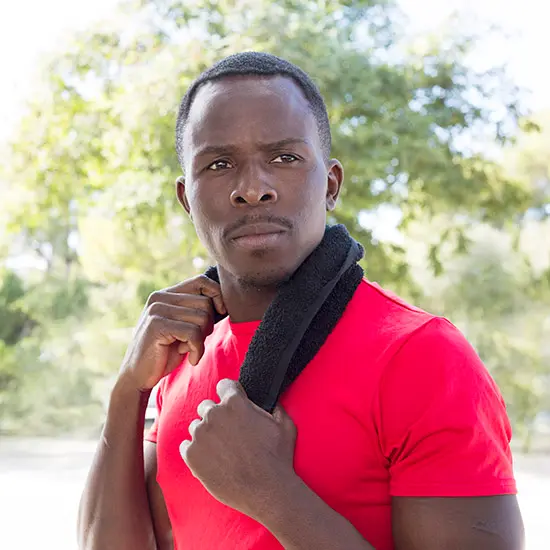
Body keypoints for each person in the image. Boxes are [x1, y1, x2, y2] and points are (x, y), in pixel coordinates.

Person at [77, 51, 524, 550]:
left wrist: (272, 494)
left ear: (331, 185)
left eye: (284, 158)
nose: (252, 189)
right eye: (219, 164)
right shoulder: (182, 358)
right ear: (187, 199)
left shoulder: (422, 355)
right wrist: (128, 391)